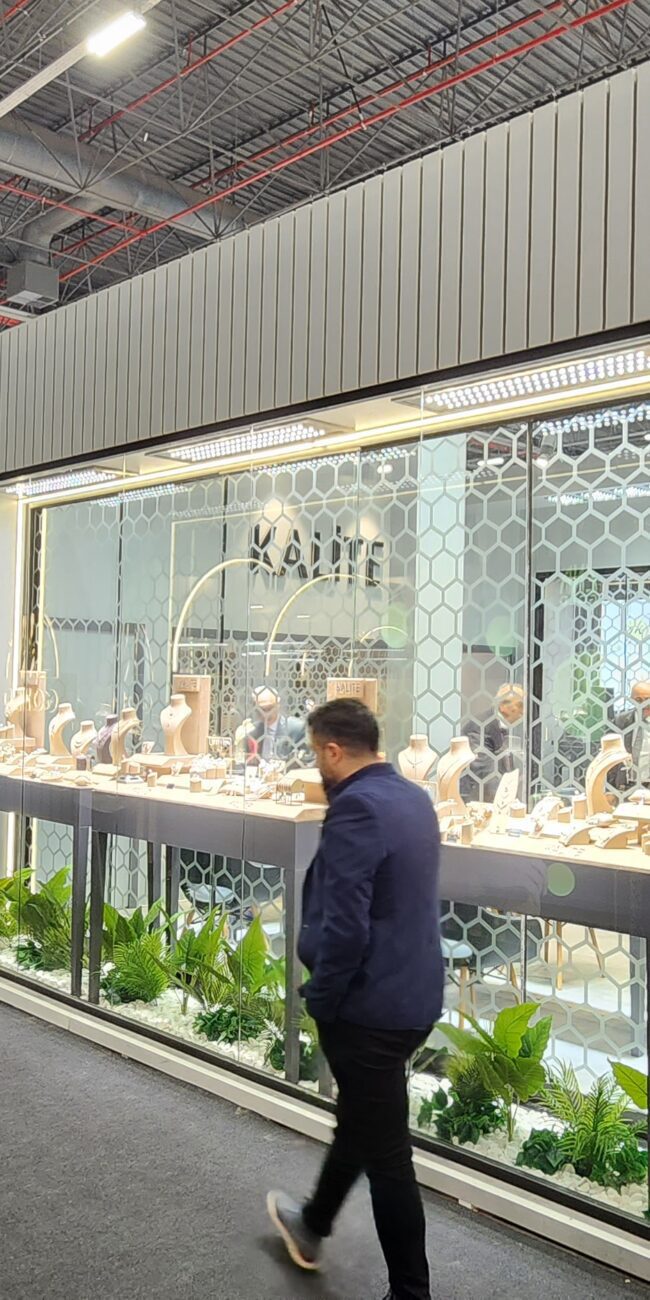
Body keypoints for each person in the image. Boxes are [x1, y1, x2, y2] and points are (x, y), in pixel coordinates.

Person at [267, 698, 443, 1300]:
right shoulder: (413, 798)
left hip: (370, 1007)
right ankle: (312, 1223)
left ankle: (411, 1292)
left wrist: (322, 997)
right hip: (413, 997)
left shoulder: (356, 808)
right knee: (362, 1120)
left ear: (333, 751)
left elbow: (346, 926)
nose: (316, 765)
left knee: (388, 1154)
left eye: (316, 753)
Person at [462, 682, 525, 801]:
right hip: (479, 801)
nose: (523, 711)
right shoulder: (479, 727)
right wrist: (505, 800)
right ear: (503, 706)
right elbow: (483, 770)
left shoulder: (507, 728)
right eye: (520, 705)